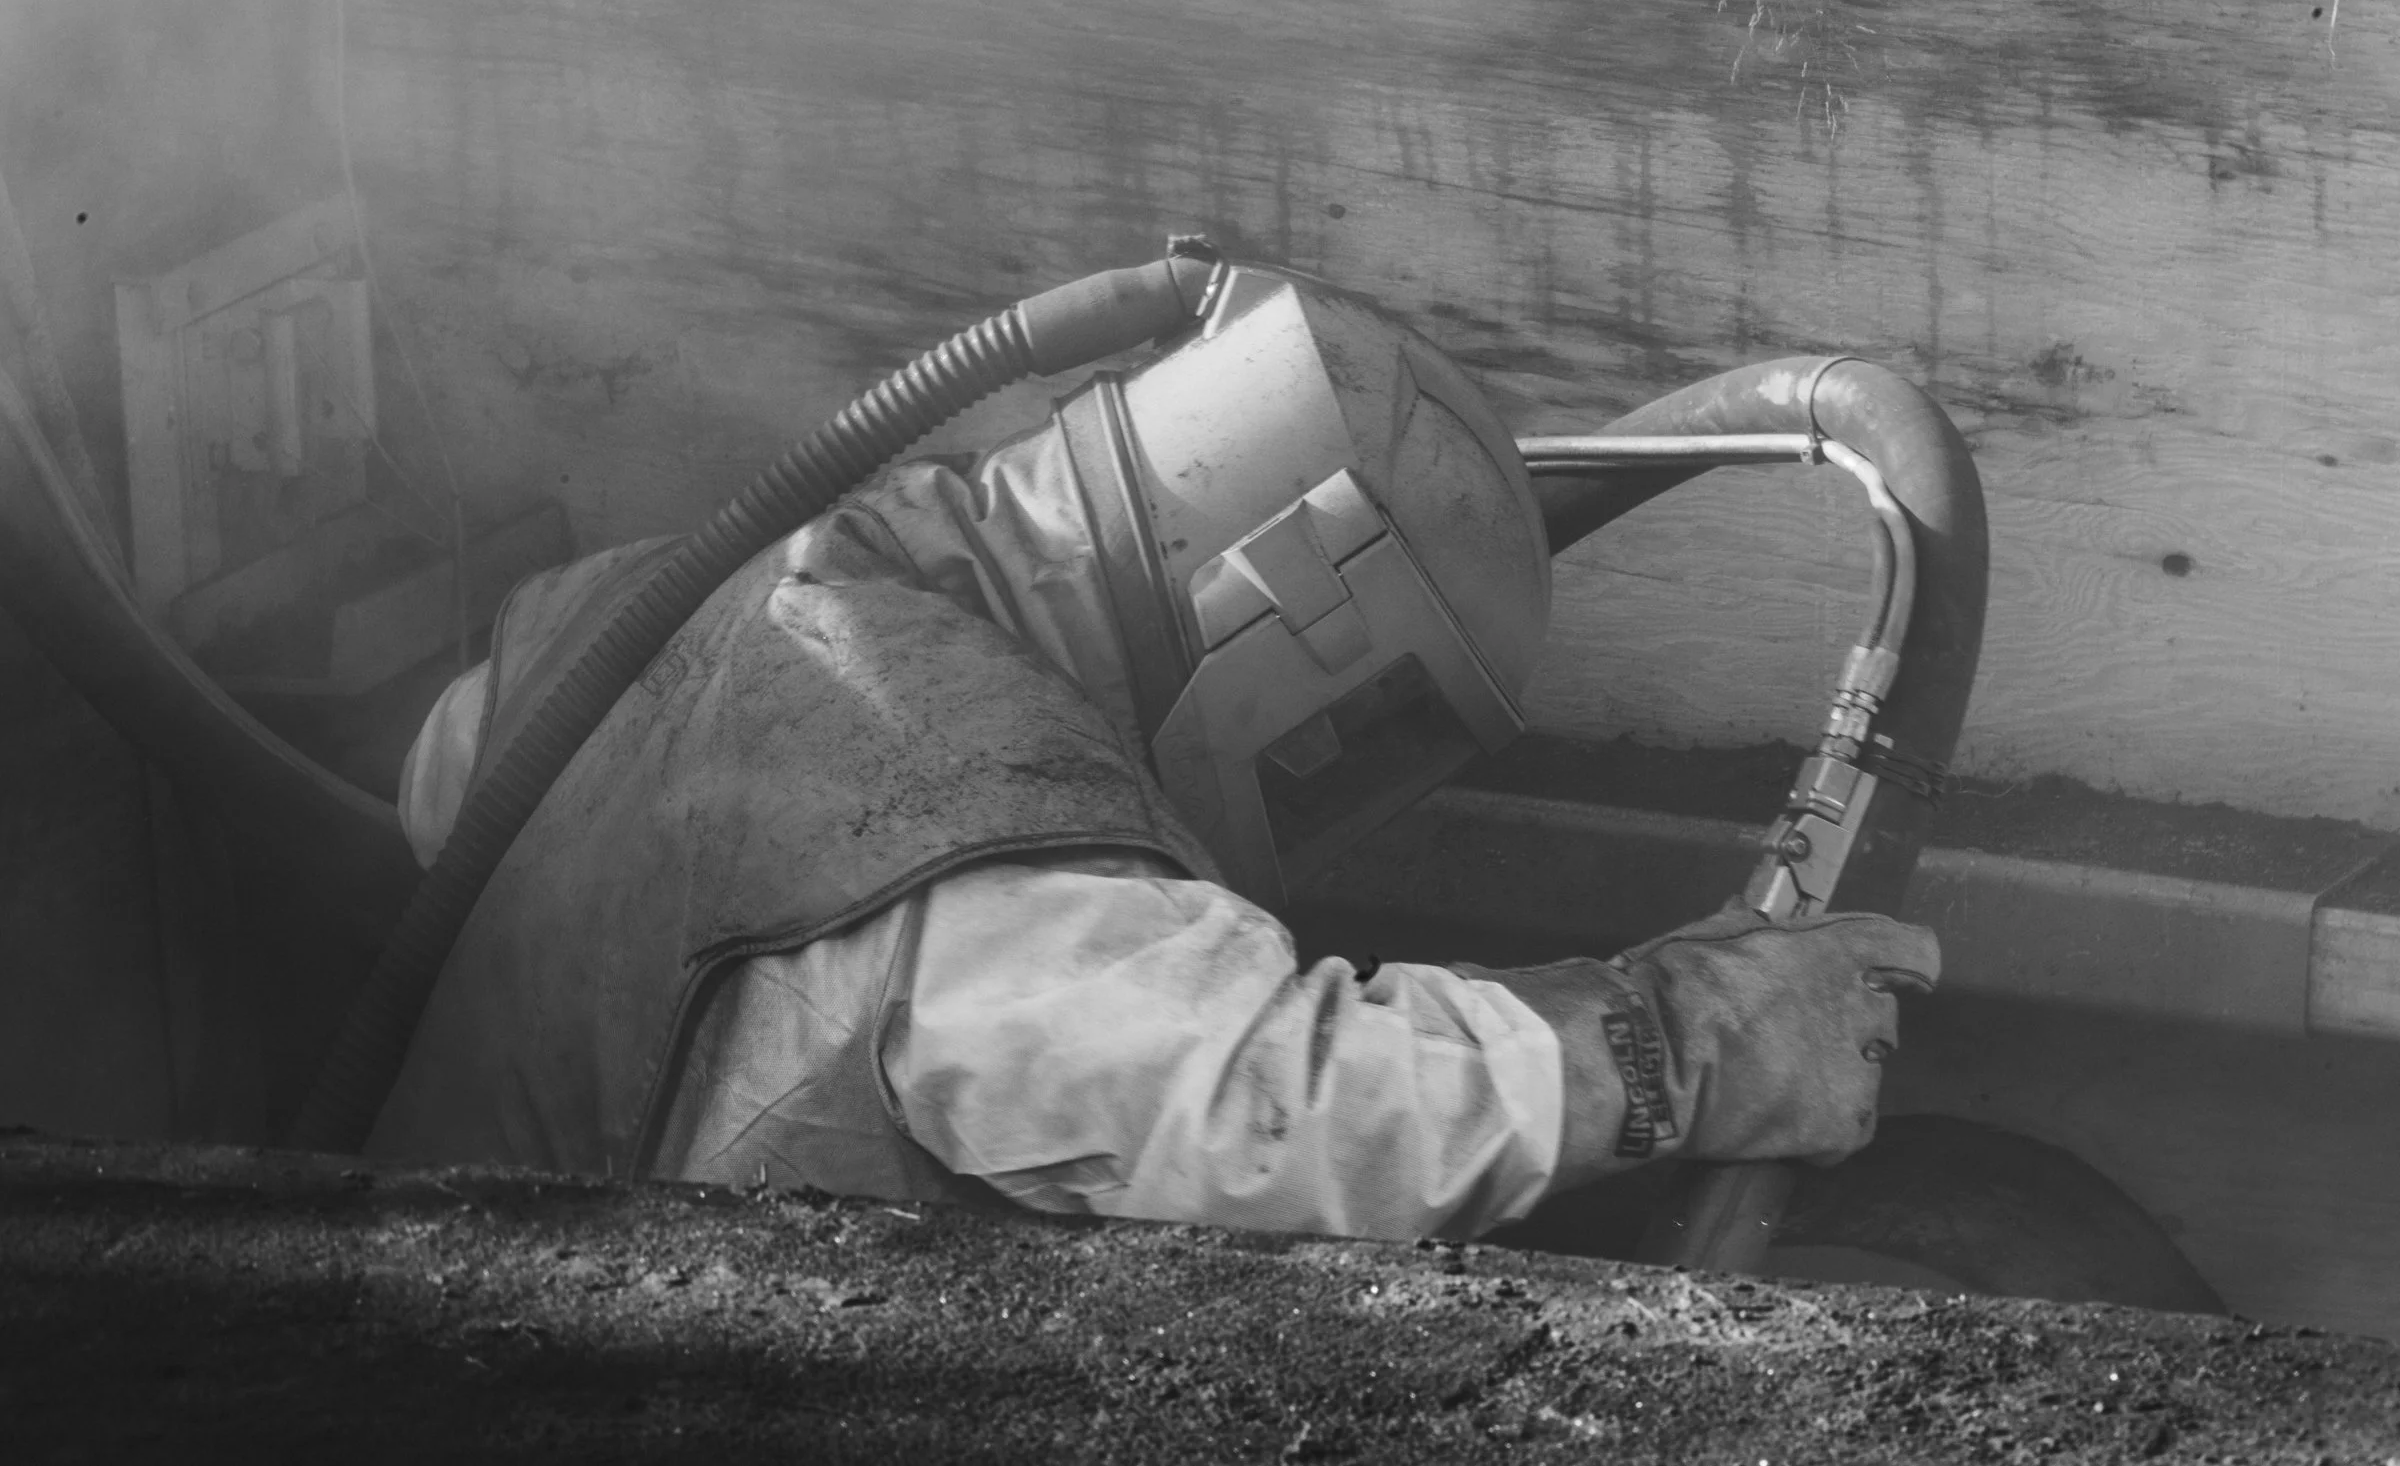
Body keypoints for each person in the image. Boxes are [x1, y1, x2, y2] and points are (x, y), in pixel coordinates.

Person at [372, 261, 1937, 1242]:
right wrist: (1696, 1036)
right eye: (1358, 727)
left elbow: (443, 780)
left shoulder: (635, 610)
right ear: (1282, 598)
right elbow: (1291, 1113)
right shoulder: (965, 823)